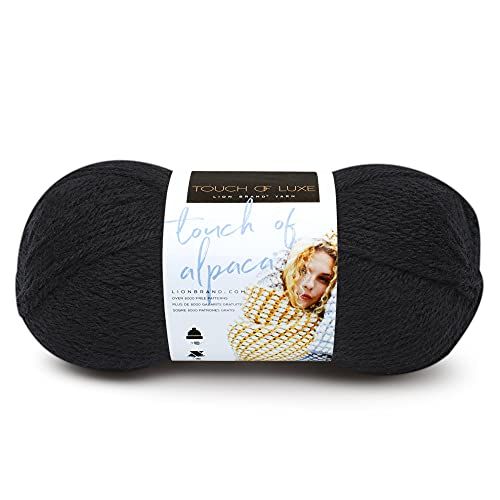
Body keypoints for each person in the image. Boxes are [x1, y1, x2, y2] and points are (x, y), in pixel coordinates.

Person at [227, 230, 338, 361]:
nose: (309, 284)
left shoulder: (324, 338)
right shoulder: (250, 314)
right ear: (289, 268)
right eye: (303, 271)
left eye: (323, 279)